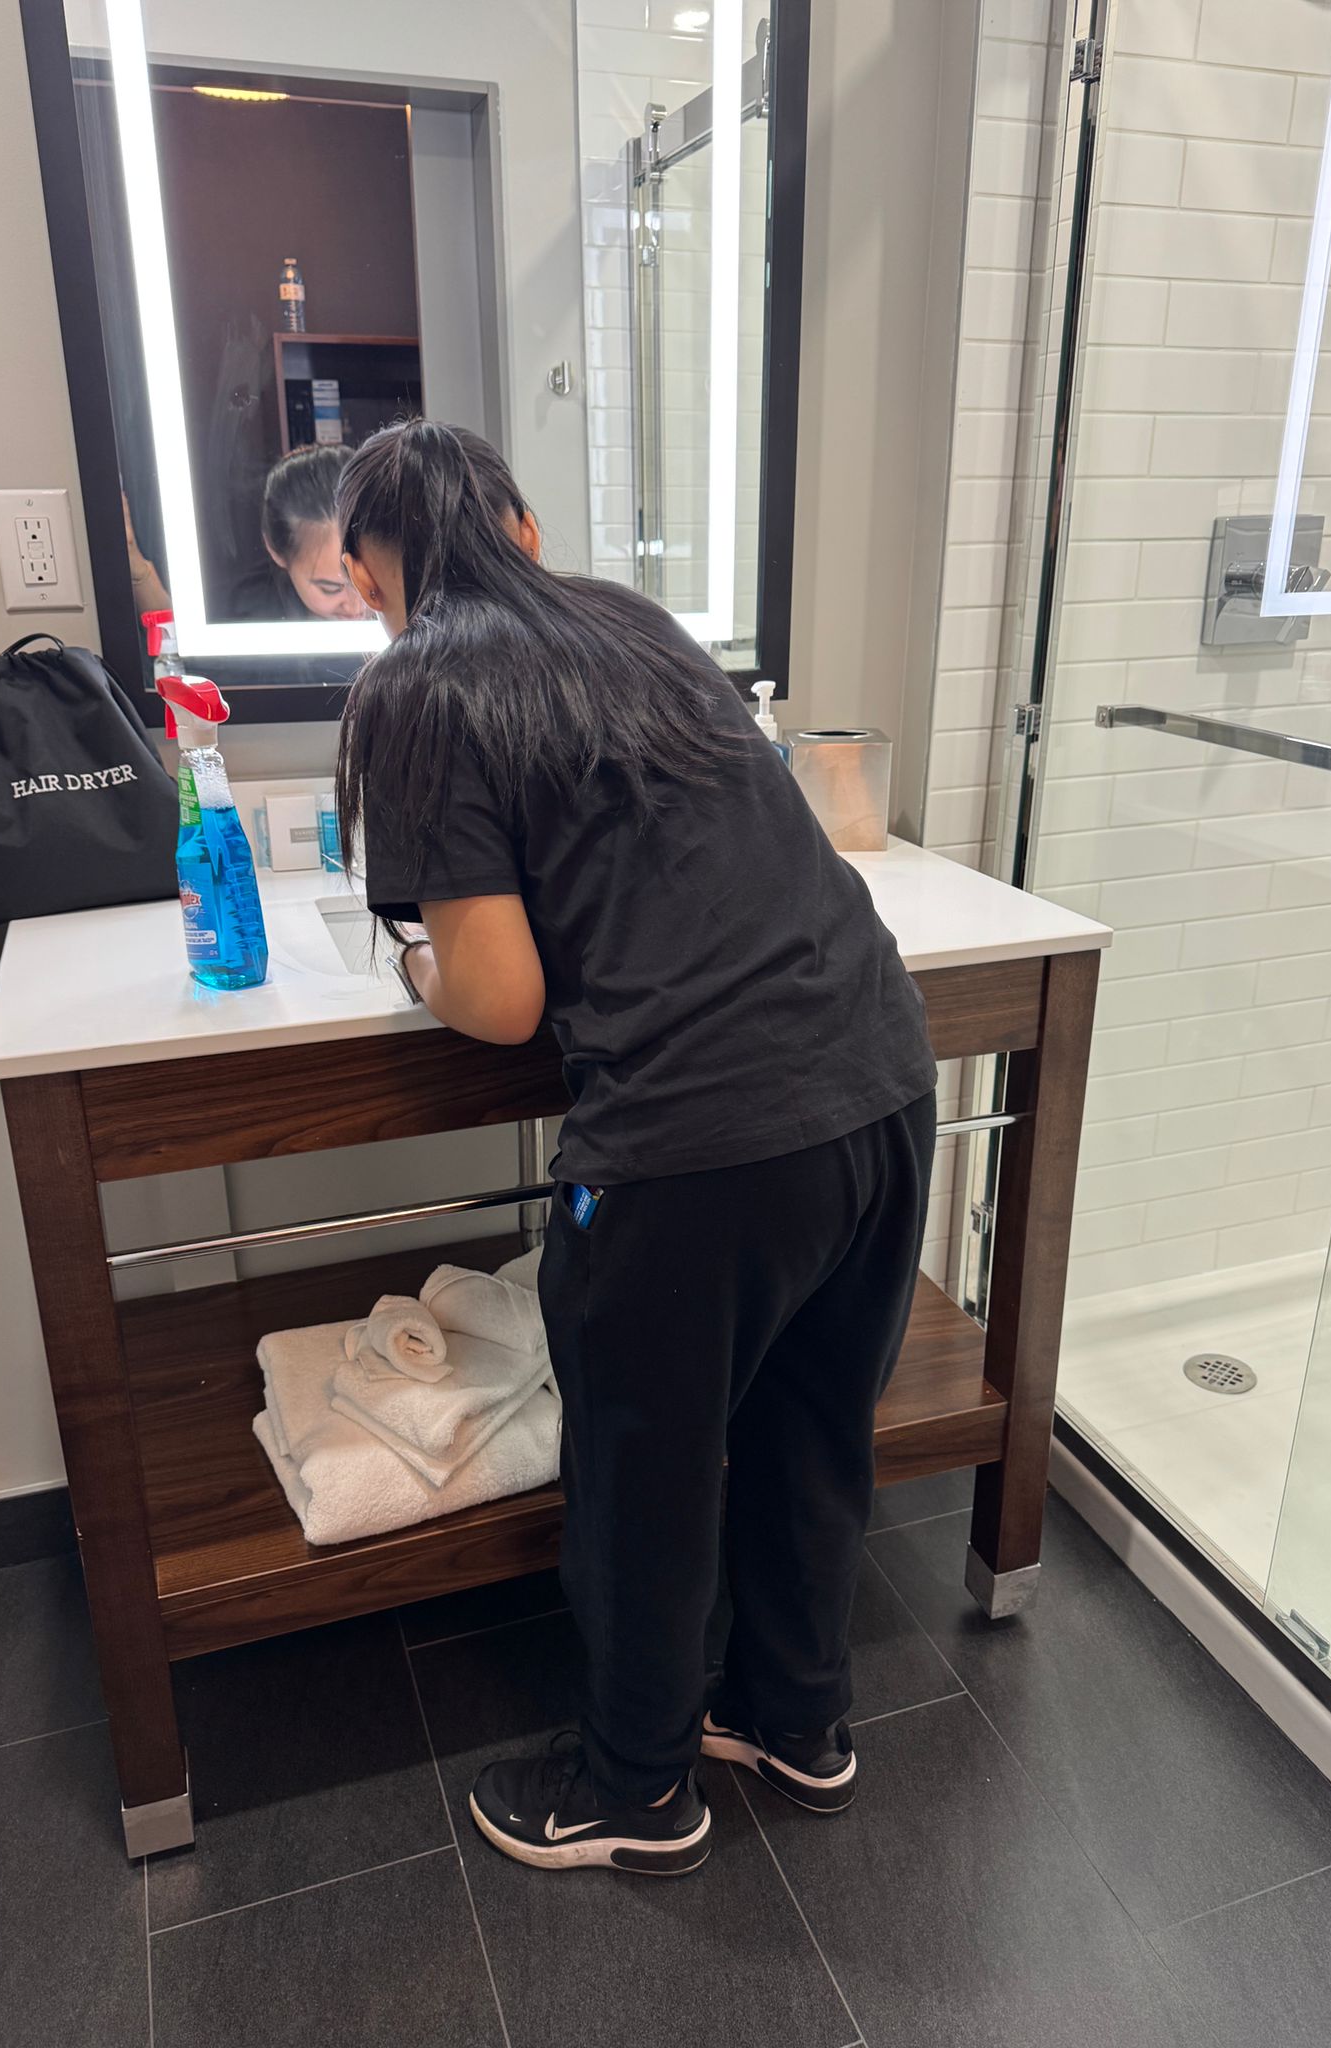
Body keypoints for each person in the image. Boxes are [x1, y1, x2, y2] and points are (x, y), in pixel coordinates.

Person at [335, 420, 938, 1877]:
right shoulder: (637, 626)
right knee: (807, 1428)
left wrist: (409, 967)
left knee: (641, 1472)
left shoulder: (419, 688)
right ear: (525, 529)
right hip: (880, 1077)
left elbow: (499, 996)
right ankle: (798, 1721)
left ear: (369, 575)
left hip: (697, 1146)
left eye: (360, 585)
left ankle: (637, 1789)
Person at [229, 444, 371, 621]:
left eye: (371, 580)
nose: (357, 606)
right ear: (275, 550)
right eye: (331, 589)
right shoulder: (245, 626)